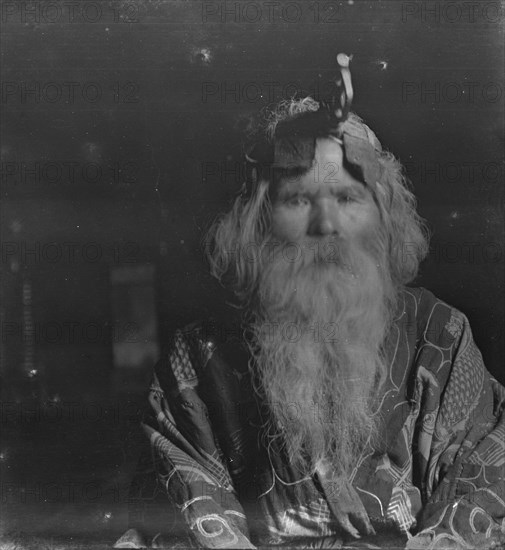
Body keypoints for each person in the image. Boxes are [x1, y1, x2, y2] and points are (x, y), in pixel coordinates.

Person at [114, 57, 505, 549]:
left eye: (348, 198)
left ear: (383, 220)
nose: (327, 226)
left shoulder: (438, 336)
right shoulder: (198, 359)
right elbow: (186, 508)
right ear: (259, 220)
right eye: (298, 199)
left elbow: (484, 486)